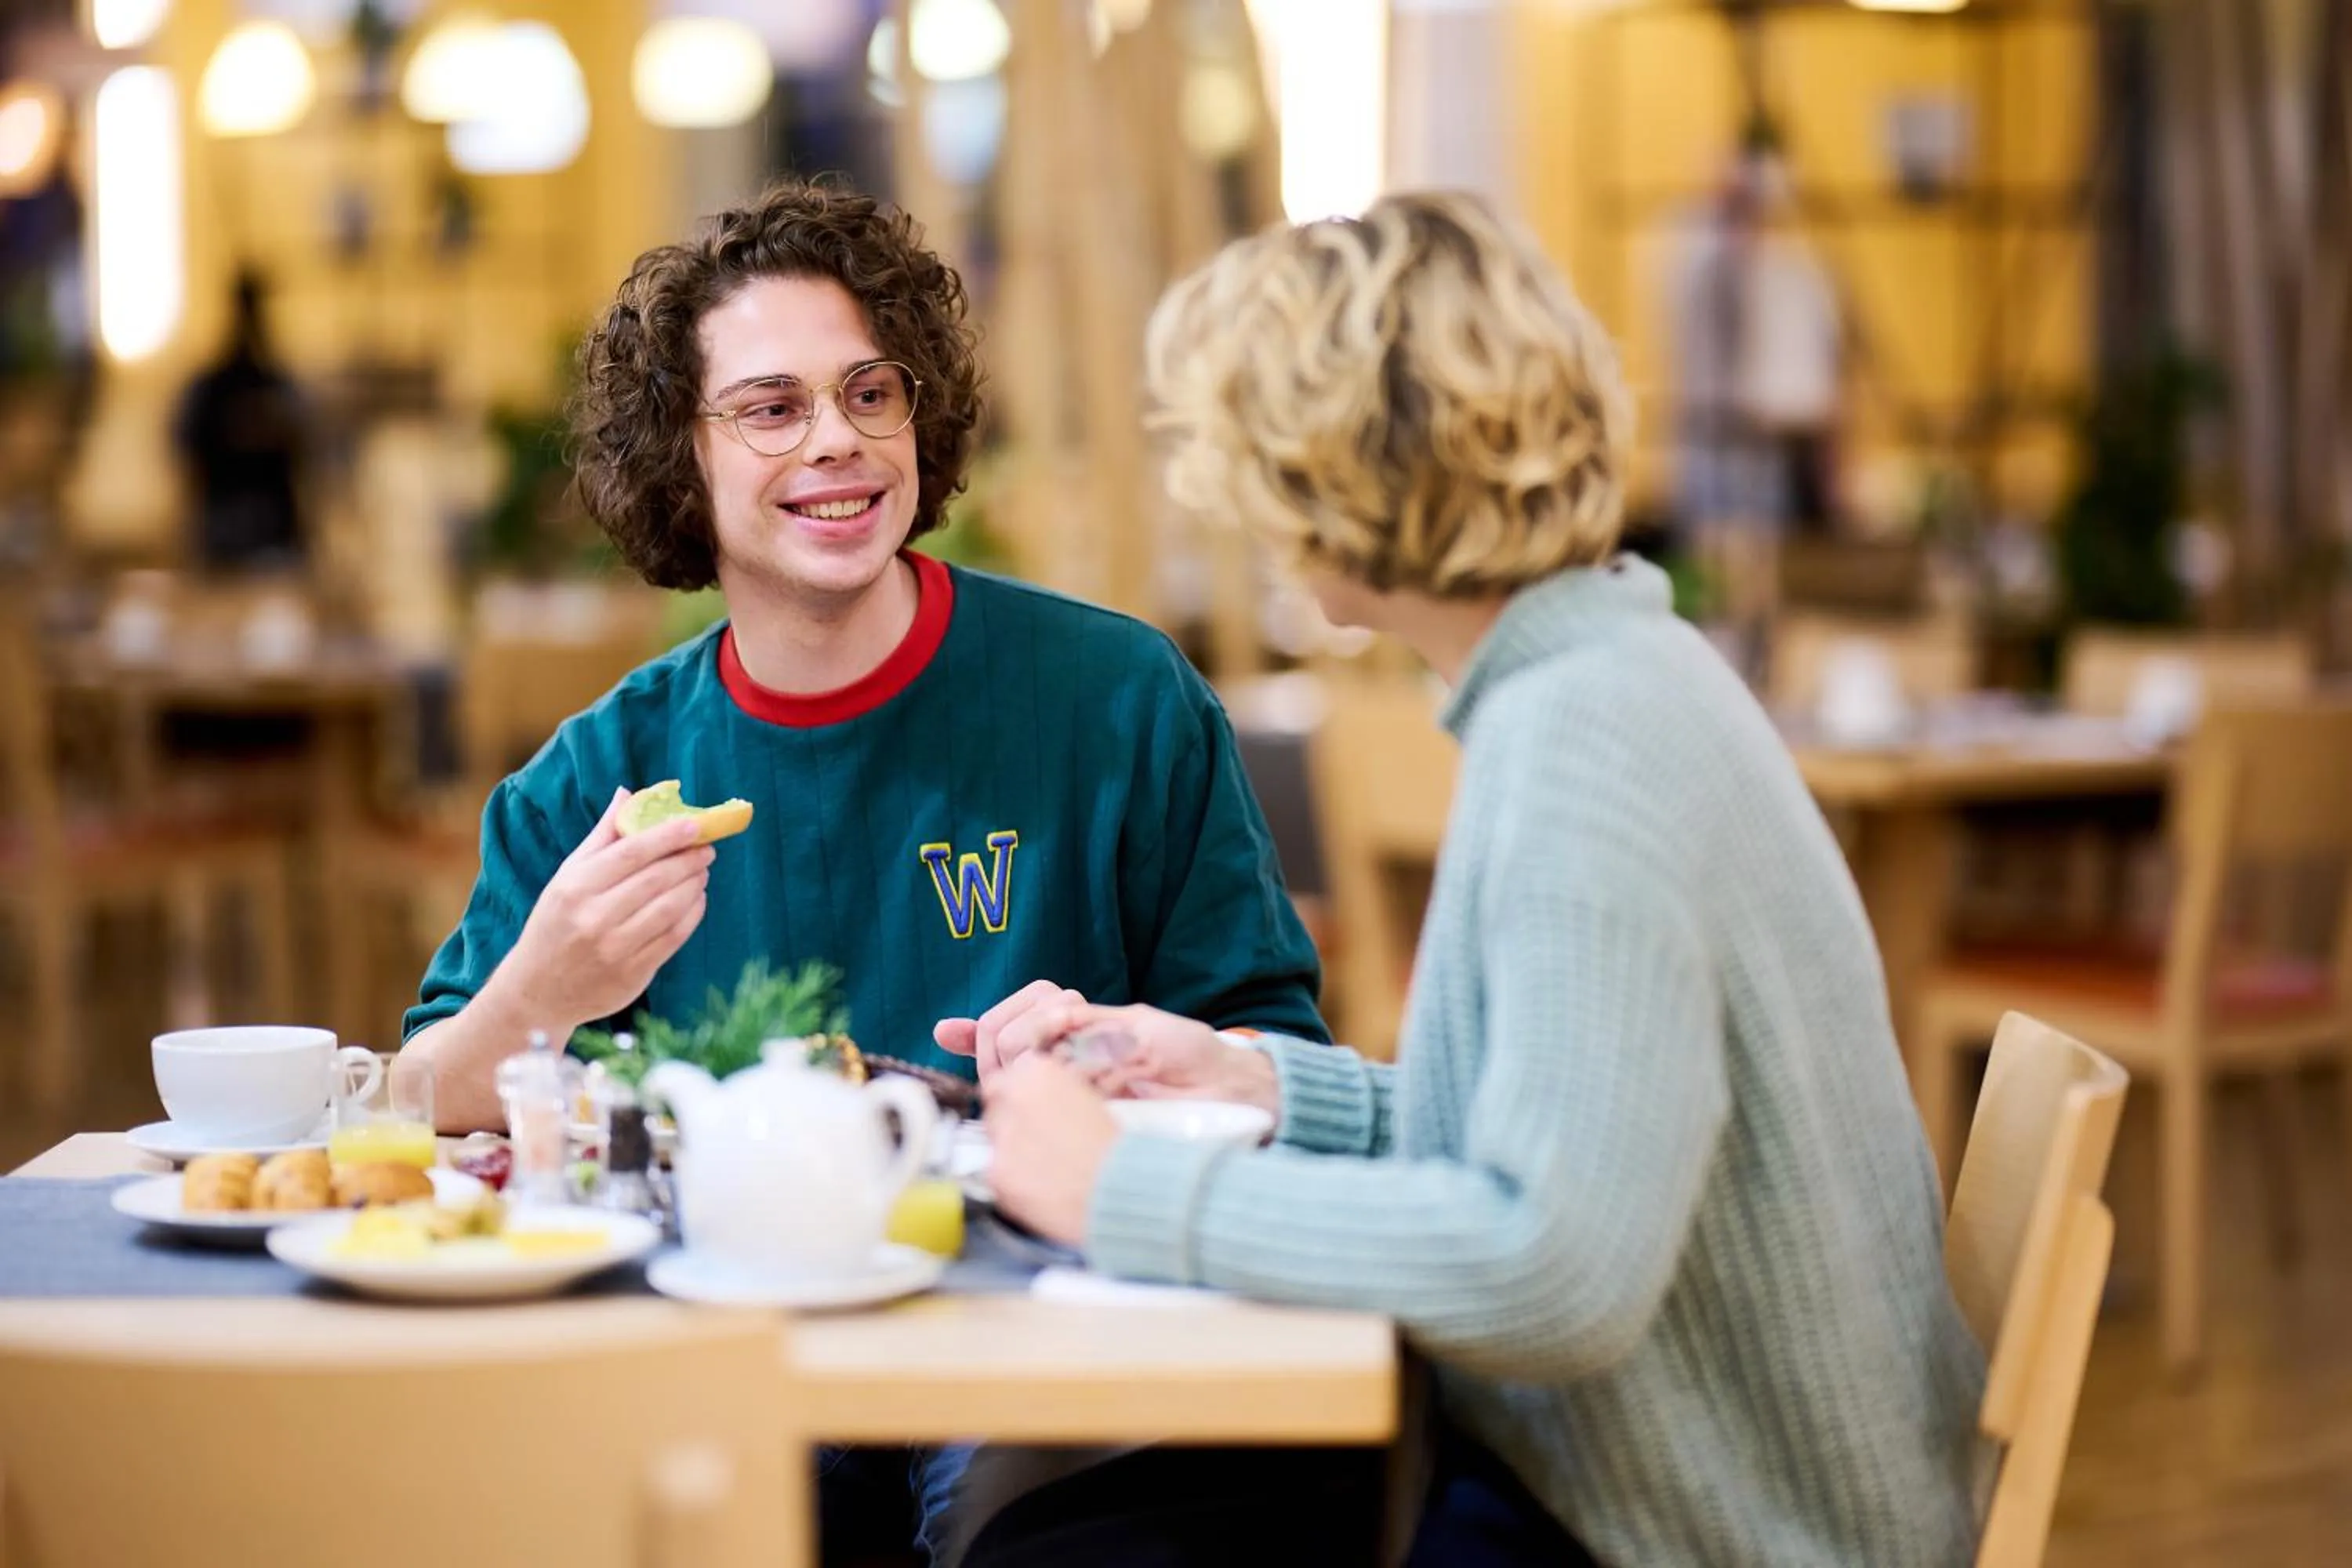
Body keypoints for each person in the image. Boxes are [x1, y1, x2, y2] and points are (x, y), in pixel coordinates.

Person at [959, 191, 1989, 1566]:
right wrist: (1259, 1083)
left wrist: (1120, 1198)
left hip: (1697, 1527)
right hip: (1661, 1478)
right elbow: (1579, 1129)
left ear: (1339, 468)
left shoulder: (1585, 742)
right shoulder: (1611, 675)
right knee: (1060, 1533)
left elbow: (1553, 1270)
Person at [398, 179, 1329, 1559]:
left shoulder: (1118, 700)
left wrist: (1132, 1058)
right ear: (681, 462)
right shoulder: (597, 780)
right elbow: (418, 1099)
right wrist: (545, 986)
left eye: (871, 393)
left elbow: (1274, 1057)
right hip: (733, 1367)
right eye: (772, 408)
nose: (836, 440)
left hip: (1042, 1362)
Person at [172, 269, 310, 573]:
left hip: (274, 533)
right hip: (225, 533)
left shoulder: (279, 386)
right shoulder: (212, 388)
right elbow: (185, 451)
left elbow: (307, 450)